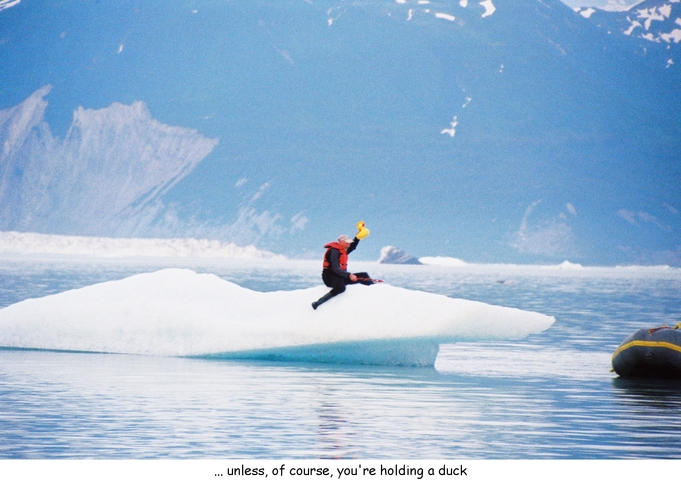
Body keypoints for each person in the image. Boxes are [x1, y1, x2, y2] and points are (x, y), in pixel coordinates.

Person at [312, 224, 376, 310]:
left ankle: (374, 293)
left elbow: (353, 247)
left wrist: (357, 237)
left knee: (364, 275)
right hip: (329, 277)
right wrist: (349, 275)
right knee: (341, 288)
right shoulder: (334, 252)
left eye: (349, 243)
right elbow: (335, 268)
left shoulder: (343, 250)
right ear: (340, 242)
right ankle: (317, 303)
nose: (349, 244)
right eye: (347, 243)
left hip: (340, 275)